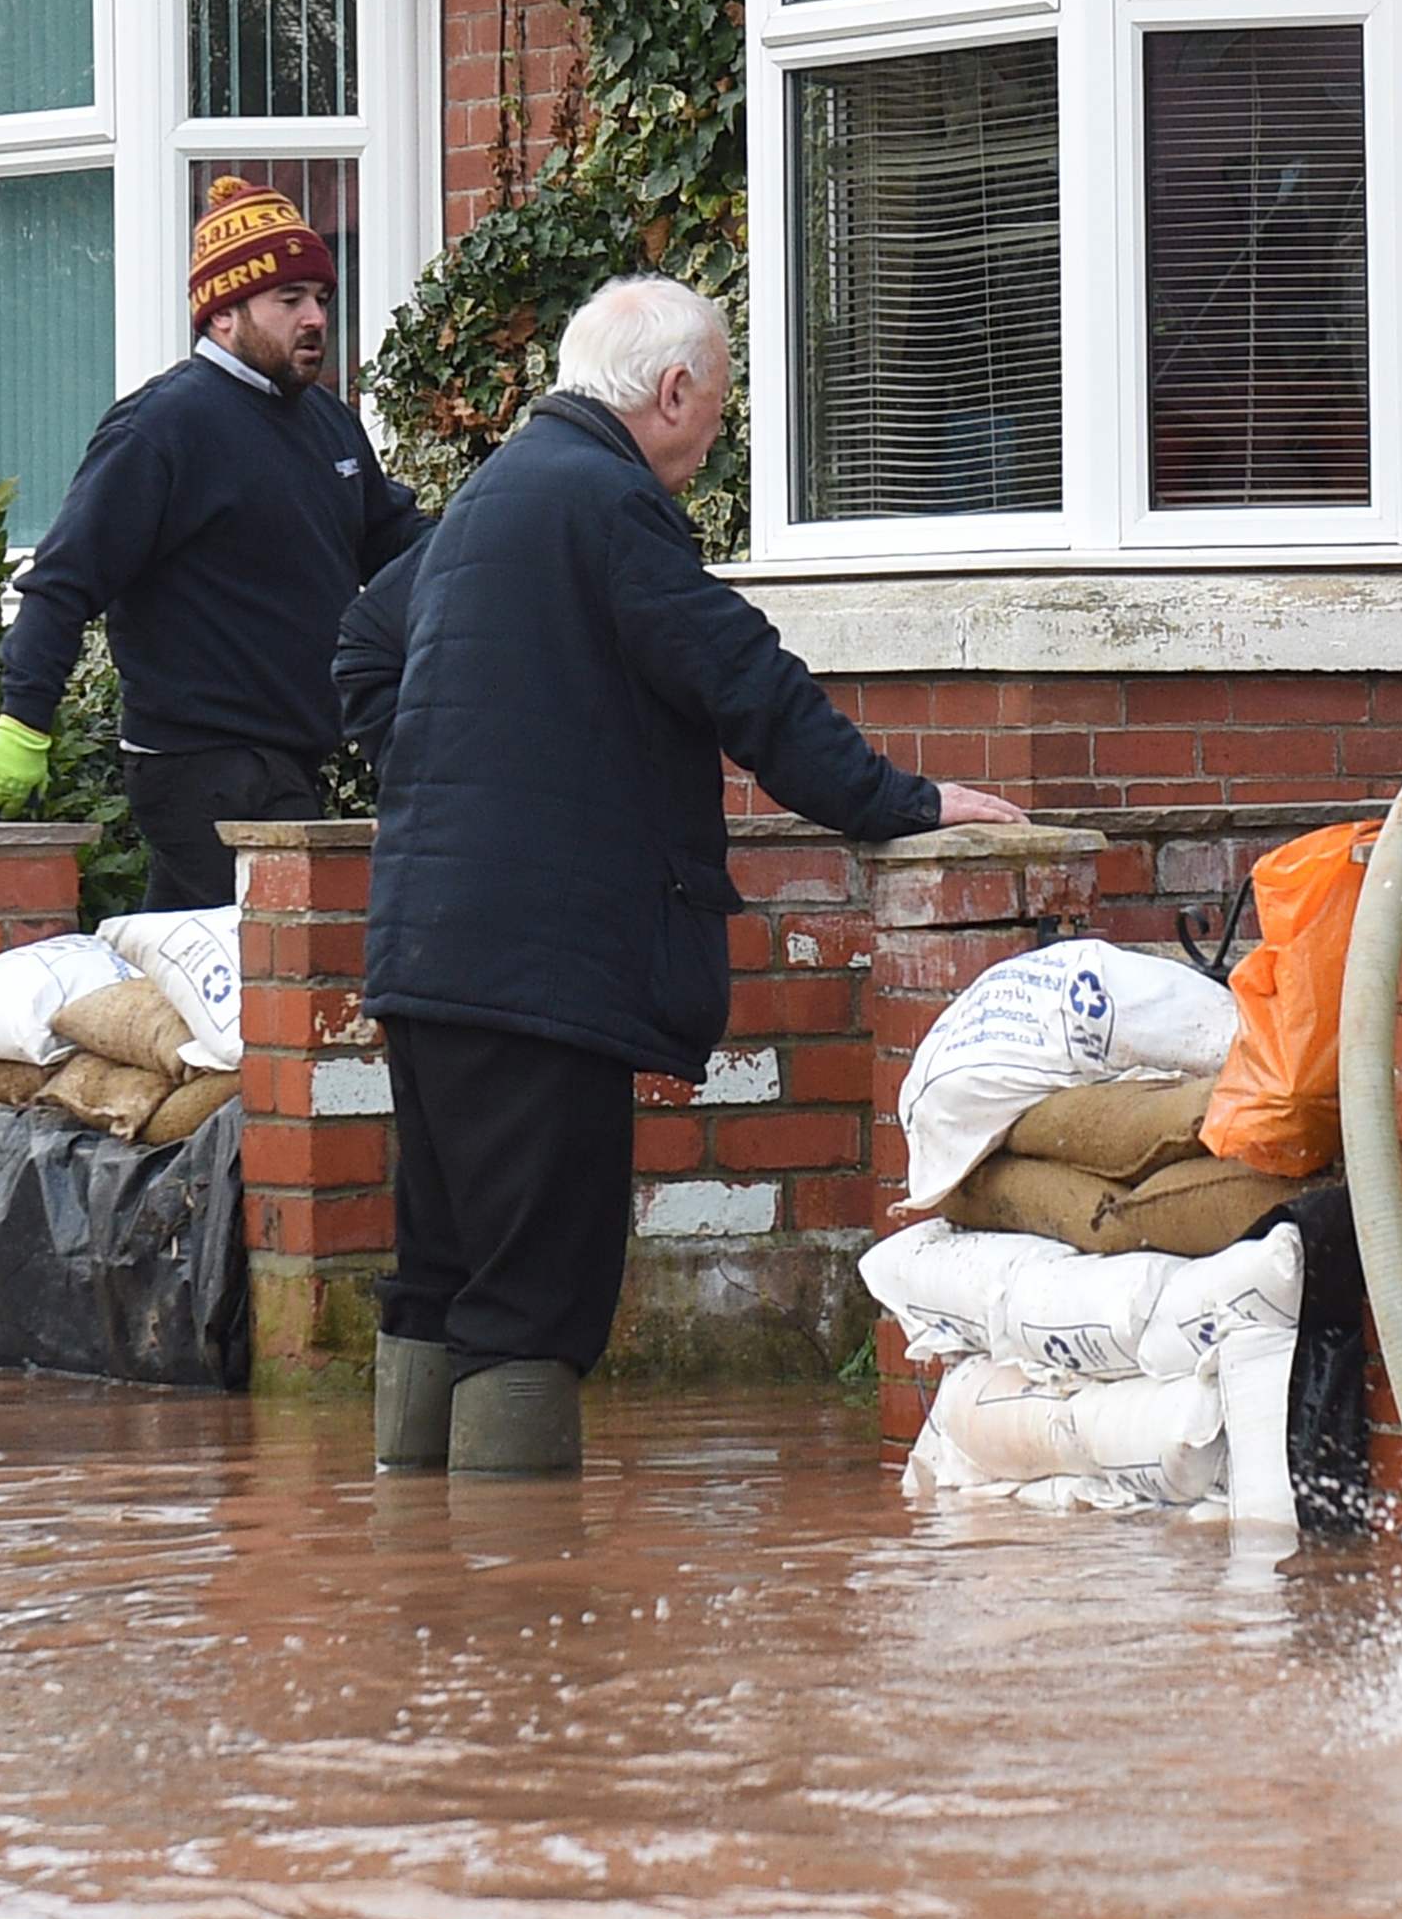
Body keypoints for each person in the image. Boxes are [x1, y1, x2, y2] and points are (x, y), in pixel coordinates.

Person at [361, 278, 1023, 1477]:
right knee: (532, 1301)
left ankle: (424, 1611)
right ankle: (519, 1623)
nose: (711, 443)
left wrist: (452, 782)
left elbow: (364, 645)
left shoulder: (494, 495)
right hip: (536, 976)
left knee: (437, 1276)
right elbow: (745, 685)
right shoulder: (608, 502)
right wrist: (907, 802)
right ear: (671, 393)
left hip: (423, 953)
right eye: (714, 415)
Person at [0, 179, 423, 909]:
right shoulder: (164, 428)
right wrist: (25, 719)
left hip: (286, 759)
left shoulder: (326, 424)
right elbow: (65, 578)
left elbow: (394, 541)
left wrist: (485, 551)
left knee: (191, 976)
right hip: (202, 766)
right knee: (279, 972)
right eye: (290, 300)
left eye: (322, 299)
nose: (314, 318)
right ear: (222, 314)